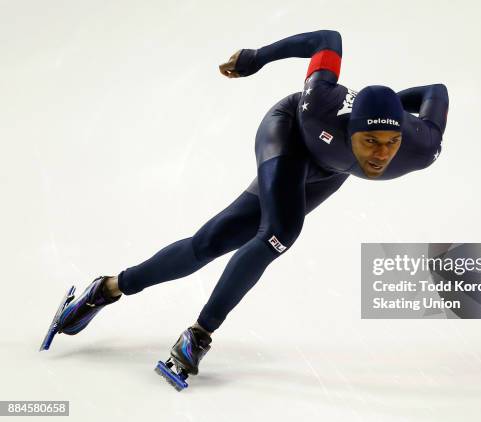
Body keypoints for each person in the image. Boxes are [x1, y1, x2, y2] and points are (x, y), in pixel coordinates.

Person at [46, 29, 449, 380]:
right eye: (370, 141)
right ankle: (199, 336)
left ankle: (107, 288)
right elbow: (328, 40)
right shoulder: (320, 104)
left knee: (211, 241)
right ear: (350, 127)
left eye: (390, 142)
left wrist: (388, 108)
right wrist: (256, 57)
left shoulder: (421, 146)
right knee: (278, 234)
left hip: (328, 170)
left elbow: (436, 92)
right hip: (289, 132)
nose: (381, 155)